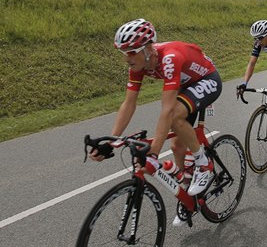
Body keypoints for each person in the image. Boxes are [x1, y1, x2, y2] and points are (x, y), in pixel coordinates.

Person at [88, 19, 221, 208]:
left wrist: (153, 153)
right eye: (124, 53)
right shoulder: (138, 66)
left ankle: (203, 162)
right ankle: (186, 195)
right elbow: (129, 103)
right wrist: (111, 142)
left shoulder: (169, 59)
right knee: (176, 146)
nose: (127, 58)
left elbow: (167, 110)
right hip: (186, 84)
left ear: (148, 49)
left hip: (207, 79)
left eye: (132, 52)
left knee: (174, 116)